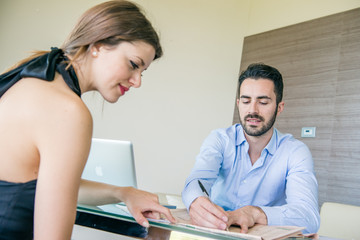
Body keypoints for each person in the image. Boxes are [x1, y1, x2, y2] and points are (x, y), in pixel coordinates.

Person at [0, 1, 175, 239]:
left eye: (142, 72)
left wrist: (123, 193)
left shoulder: (31, 79)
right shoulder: (69, 112)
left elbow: (44, 186)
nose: (137, 81)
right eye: (133, 65)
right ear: (98, 45)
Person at [182, 63, 320, 234]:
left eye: (263, 102)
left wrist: (255, 213)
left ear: (279, 107)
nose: (252, 110)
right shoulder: (220, 139)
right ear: (238, 104)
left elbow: (309, 218)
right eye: (246, 101)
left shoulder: (295, 152)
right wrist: (196, 201)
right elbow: (197, 181)